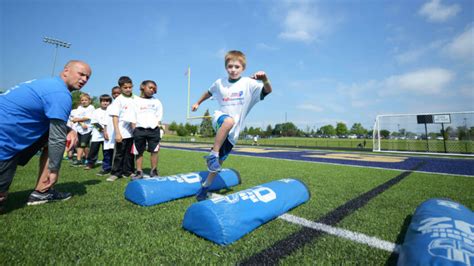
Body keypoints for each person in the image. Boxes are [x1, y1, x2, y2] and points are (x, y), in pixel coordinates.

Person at [0, 60, 91, 211]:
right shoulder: (60, 94)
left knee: (64, 132)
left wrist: (70, 130)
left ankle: (42, 192)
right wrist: (54, 170)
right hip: (5, 141)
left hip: (9, 134)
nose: (84, 80)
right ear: (66, 70)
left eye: (87, 77)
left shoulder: (47, 83)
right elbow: (56, 138)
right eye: (81, 74)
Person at [191, 50, 272, 201]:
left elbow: (268, 91)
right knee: (228, 121)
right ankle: (212, 154)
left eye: (237, 67)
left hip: (233, 132)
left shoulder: (249, 84)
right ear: (225, 67)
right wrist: (197, 102)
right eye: (230, 66)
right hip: (220, 119)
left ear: (243, 68)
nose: (233, 70)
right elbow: (208, 92)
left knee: (218, 165)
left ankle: (204, 187)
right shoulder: (219, 82)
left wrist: (265, 79)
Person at [130, 80, 163, 179]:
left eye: (154, 89)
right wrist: (134, 130)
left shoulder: (157, 102)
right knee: (139, 152)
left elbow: (159, 117)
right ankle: (139, 171)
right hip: (139, 130)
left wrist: (159, 130)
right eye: (150, 87)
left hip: (153, 130)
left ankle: (154, 171)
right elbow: (133, 117)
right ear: (143, 87)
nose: (152, 90)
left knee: (155, 151)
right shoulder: (135, 101)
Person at [107, 76, 136, 181]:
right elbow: (115, 117)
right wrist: (117, 133)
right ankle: (116, 173)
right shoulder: (118, 100)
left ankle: (128, 171)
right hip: (121, 132)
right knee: (119, 153)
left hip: (132, 132)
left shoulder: (135, 98)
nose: (128, 89)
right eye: (125, 87)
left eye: (130, 87)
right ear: (121, 88)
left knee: (130, 154)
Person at [97, 87, 121, 176]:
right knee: (107, 151)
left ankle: (118, 169)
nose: (116, 95)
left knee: (119, 153)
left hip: (120, 133)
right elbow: (106, 121)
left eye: (118, 93)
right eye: (114, 93)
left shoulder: (125, 104)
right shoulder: (110, 107)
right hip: (110, 133)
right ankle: (106, 168)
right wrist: (105, 131)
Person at [85, 94, 112, 170]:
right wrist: (103, 130)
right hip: (97, 135)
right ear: (100, 102)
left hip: (107, 135)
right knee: (93, 150)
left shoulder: (111, 111)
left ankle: (107, 164)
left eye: (107, 101)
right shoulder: (96, 111)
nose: (105, 103)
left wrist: (106, 132)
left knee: (106, 151)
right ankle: (90, 163)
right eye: (103, 101)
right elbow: (94, 122)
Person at [71, 93, 95, 166]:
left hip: (88, 129)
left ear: (89, 101)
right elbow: (74, 119)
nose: (84, 101)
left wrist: (78, 120)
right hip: (80, 129)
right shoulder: (79, 108)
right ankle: (84, 159)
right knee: (80, 144)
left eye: (85, 100)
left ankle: (82, 159)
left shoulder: (91, 107)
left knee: (83, 144)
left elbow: (87, 117)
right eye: (82, 100)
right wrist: (81, 123)